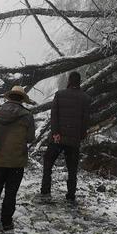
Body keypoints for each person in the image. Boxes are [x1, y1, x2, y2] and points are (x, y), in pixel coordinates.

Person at [0, 86, 35, 231]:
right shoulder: (27, 115)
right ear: (22, 99)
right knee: (11, 192)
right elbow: (30, 138)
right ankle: (6, 222)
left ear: (9, 97)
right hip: (17, 160)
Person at [40, 71, 91, 204]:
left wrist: (55, 132)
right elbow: (85, 120)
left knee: (48, 163)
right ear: (79, 82)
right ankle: (70, 194)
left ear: (69, 81)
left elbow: (54, 115)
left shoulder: (59, 94)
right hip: (73, 140)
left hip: (58, 138)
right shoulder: (85, 98)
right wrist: (81, 136)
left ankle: (45, 190)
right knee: (72, 169)